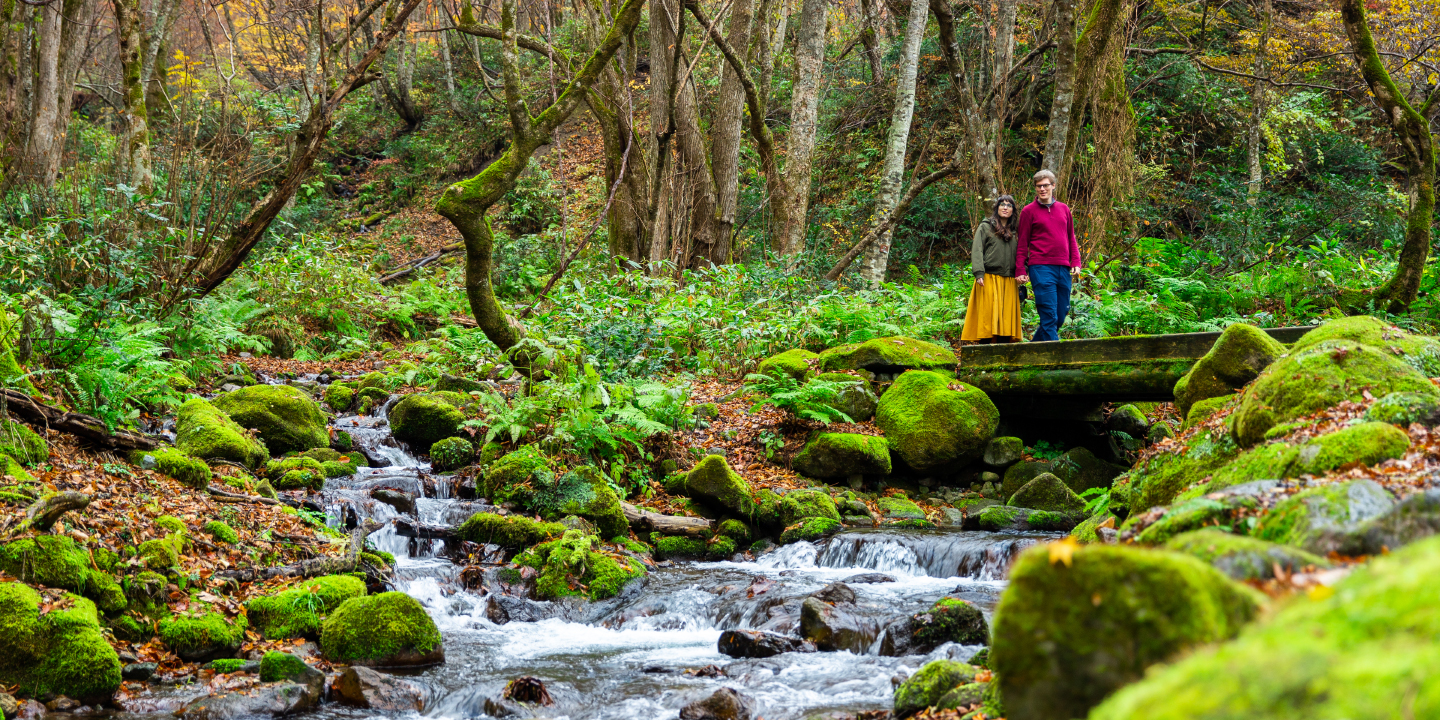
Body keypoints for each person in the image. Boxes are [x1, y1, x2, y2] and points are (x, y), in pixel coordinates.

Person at [1014, 169, 1081, 342]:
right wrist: (1020, 269)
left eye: (1045, 185)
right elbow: (1022, 243)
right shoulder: (1028, 212)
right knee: (1049, 316)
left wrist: (1076, 261)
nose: (1042, 189)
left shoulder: (1064, 209)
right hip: (1041, 268)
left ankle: (1031, 351)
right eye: (1038, 186)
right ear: (1035, 188)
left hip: (1063, 267)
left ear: (1053, 186)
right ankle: (1059, 358)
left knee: (1060, 314)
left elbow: (1070, 237)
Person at [961, 195, 1022, 344]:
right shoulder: (985, 226)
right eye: (1002, 204)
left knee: (1006, 321)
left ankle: (1004, 357)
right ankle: (984, 353)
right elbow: (977, 250)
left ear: (1013, 210)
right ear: (997, 208)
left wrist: (1023, 271)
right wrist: (979, 272)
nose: (1005, 207)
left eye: (1009, 205)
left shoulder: (1016, 230)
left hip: (1009, 280)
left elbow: (1023, 252)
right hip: (988, 278)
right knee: (987, 319)